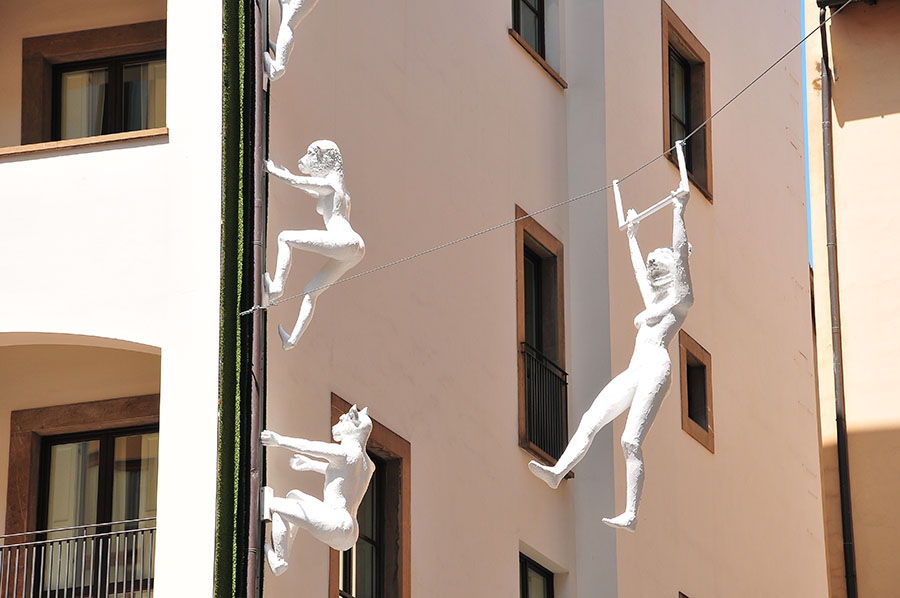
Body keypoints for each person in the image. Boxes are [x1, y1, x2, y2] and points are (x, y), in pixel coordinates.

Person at [529, 175, 693, 532]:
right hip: (636, 370)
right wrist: (632, 235)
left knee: (630, 440)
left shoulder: (679, 301)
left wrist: (678, 210)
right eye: (651, 263)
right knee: (591, 418)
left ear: (671, 271)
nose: (651, 268)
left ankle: (631, 513)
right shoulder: (653, 302)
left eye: (657, 264)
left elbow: (681, 254)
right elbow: (637, 271)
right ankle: (558, 471)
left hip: (655, 369)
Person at [264, 140, 365, 350]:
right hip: (355, 249)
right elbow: (312, 189)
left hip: (344, 241)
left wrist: (271, 169)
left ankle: (277, 288)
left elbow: (296, 181)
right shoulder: (339, 188)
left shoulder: (330, 185)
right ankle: (291, 341)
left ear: (321, 157)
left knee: (284, 237)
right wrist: (286, 173)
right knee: (311, 291)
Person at [260, 405, 375, 575]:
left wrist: (278, 440)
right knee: (294, 497)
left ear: (353, 423)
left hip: (335, 520)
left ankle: (280, 561)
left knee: (274, 504)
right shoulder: (368, 465)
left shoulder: (344, 452)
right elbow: (344, 475)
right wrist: (310, 465)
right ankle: (281, 552)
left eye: (342, 421)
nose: (337, 424)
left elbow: (309, 446)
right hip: (351, 531)